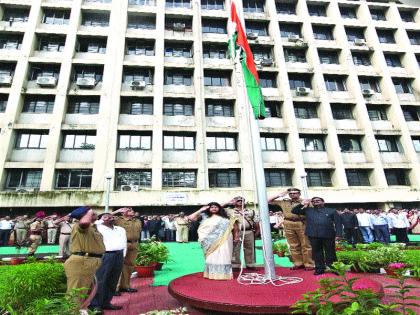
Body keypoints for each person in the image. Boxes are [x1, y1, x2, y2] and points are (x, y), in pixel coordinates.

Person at [292, 197, 342, 275]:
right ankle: (320, 268)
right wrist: (302, 204)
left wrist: (339, 234)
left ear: (323, 202)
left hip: (328, 234)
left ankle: (334, 268)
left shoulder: (331, 211)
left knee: (330, 252)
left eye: (318, 200)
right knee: (317, 252)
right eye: (314, 201)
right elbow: (294, 211)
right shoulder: (308, 210)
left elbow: (338, 223)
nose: (315, 202)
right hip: (313, 234)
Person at [188, 202, 239, 280]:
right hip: (209, 242)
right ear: (208, 208)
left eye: (216, 207)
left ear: (219, 208)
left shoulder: (226, 216)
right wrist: (201, 209)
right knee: (212, 256)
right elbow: (190, 217)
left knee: (224, 255)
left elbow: (234, 226)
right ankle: (212, 274)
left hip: (225, 239)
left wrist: (236, 236)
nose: (214, 208)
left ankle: (224, 275)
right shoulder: (204, 216)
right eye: (212, 207)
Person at [64, 207, 105, 299]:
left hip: (89, 261)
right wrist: (88, 211)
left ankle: (80, 311)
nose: (94, 213)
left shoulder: (93, 227)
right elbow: (84, 222)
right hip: (82, 262)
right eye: (92, 213)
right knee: (75, 295)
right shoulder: (80, 226)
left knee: (85, 294)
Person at [268, 188, 314, 270]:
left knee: (305, 244)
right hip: (288, 223)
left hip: (301, 223)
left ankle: (308, 264)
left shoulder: (305, 201)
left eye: (295, 193)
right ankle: (298, 263)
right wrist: (279, 195)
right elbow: (268, 200)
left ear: (299, 194)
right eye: (291, 193)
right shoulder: (284, 201)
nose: (292, 194)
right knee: (293, 245)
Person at [89, 213, 126, 313]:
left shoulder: (120, 229)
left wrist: (123, 255)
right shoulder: (98, 228)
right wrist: (102, 220)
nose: (109, 218)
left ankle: (106, 302)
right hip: (106, 255)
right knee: (101, 280)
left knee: (112, 281)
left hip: (119, 255)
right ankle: (95, 304)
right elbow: (91, 223)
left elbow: (124, 242)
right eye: (105, 217)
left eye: (111, 217)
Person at [224, 196, 259, 270]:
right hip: (236, 232)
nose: (240, 201)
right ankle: (235, 265)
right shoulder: (229, 211)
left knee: (250, 248)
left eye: (242, 200)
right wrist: (228, 202)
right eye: (238, 200)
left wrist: (257, 231)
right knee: (235, 249)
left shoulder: (251, 211)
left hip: (249, 231)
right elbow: (218, 207)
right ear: (234, 202)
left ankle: (250, 264)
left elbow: (256, 221)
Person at [112, 207, 141, 293]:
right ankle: (115, 288)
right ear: (123, 213)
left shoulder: (137, 221)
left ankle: (125, 286)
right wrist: (117, 211)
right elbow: (102, 218)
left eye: (132, 210)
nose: (133, 211)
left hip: (134, 244)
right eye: (129, 210)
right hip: (123, 244)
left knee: (129, 265)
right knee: (118, 266)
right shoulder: (117, 220)